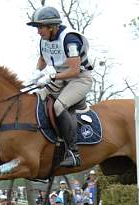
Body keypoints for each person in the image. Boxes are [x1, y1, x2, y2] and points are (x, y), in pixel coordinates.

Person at [27, 5, 93, 168]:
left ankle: (73, 152)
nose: (38, 31)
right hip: (60, 78)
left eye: (40, 27)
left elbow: (74, 70)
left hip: (79, 79)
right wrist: (36, 72)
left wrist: (51, 76)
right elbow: (43, 58)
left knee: (58, 106)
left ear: (52, 26)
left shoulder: (70, 40)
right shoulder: (45, 39)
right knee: (36, 98)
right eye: (37, 27)